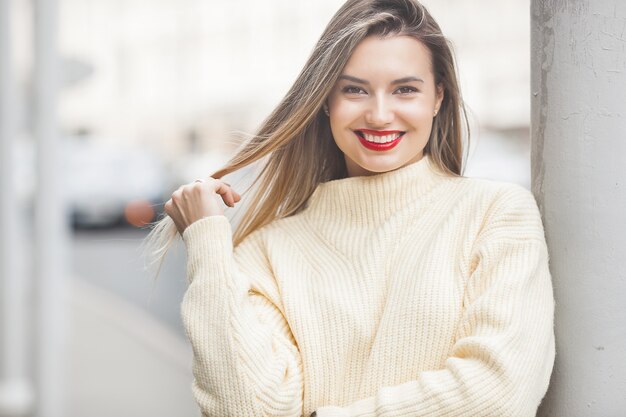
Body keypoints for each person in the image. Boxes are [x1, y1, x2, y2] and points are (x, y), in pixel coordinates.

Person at [146, 0, 555, 415]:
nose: (379, 115)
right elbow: (247, 409)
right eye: (355, 89)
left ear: (438, 98)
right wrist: (208, 246)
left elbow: (500, 390)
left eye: (405, 89)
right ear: (326, 100)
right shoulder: (266, 251)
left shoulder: (496, 214)